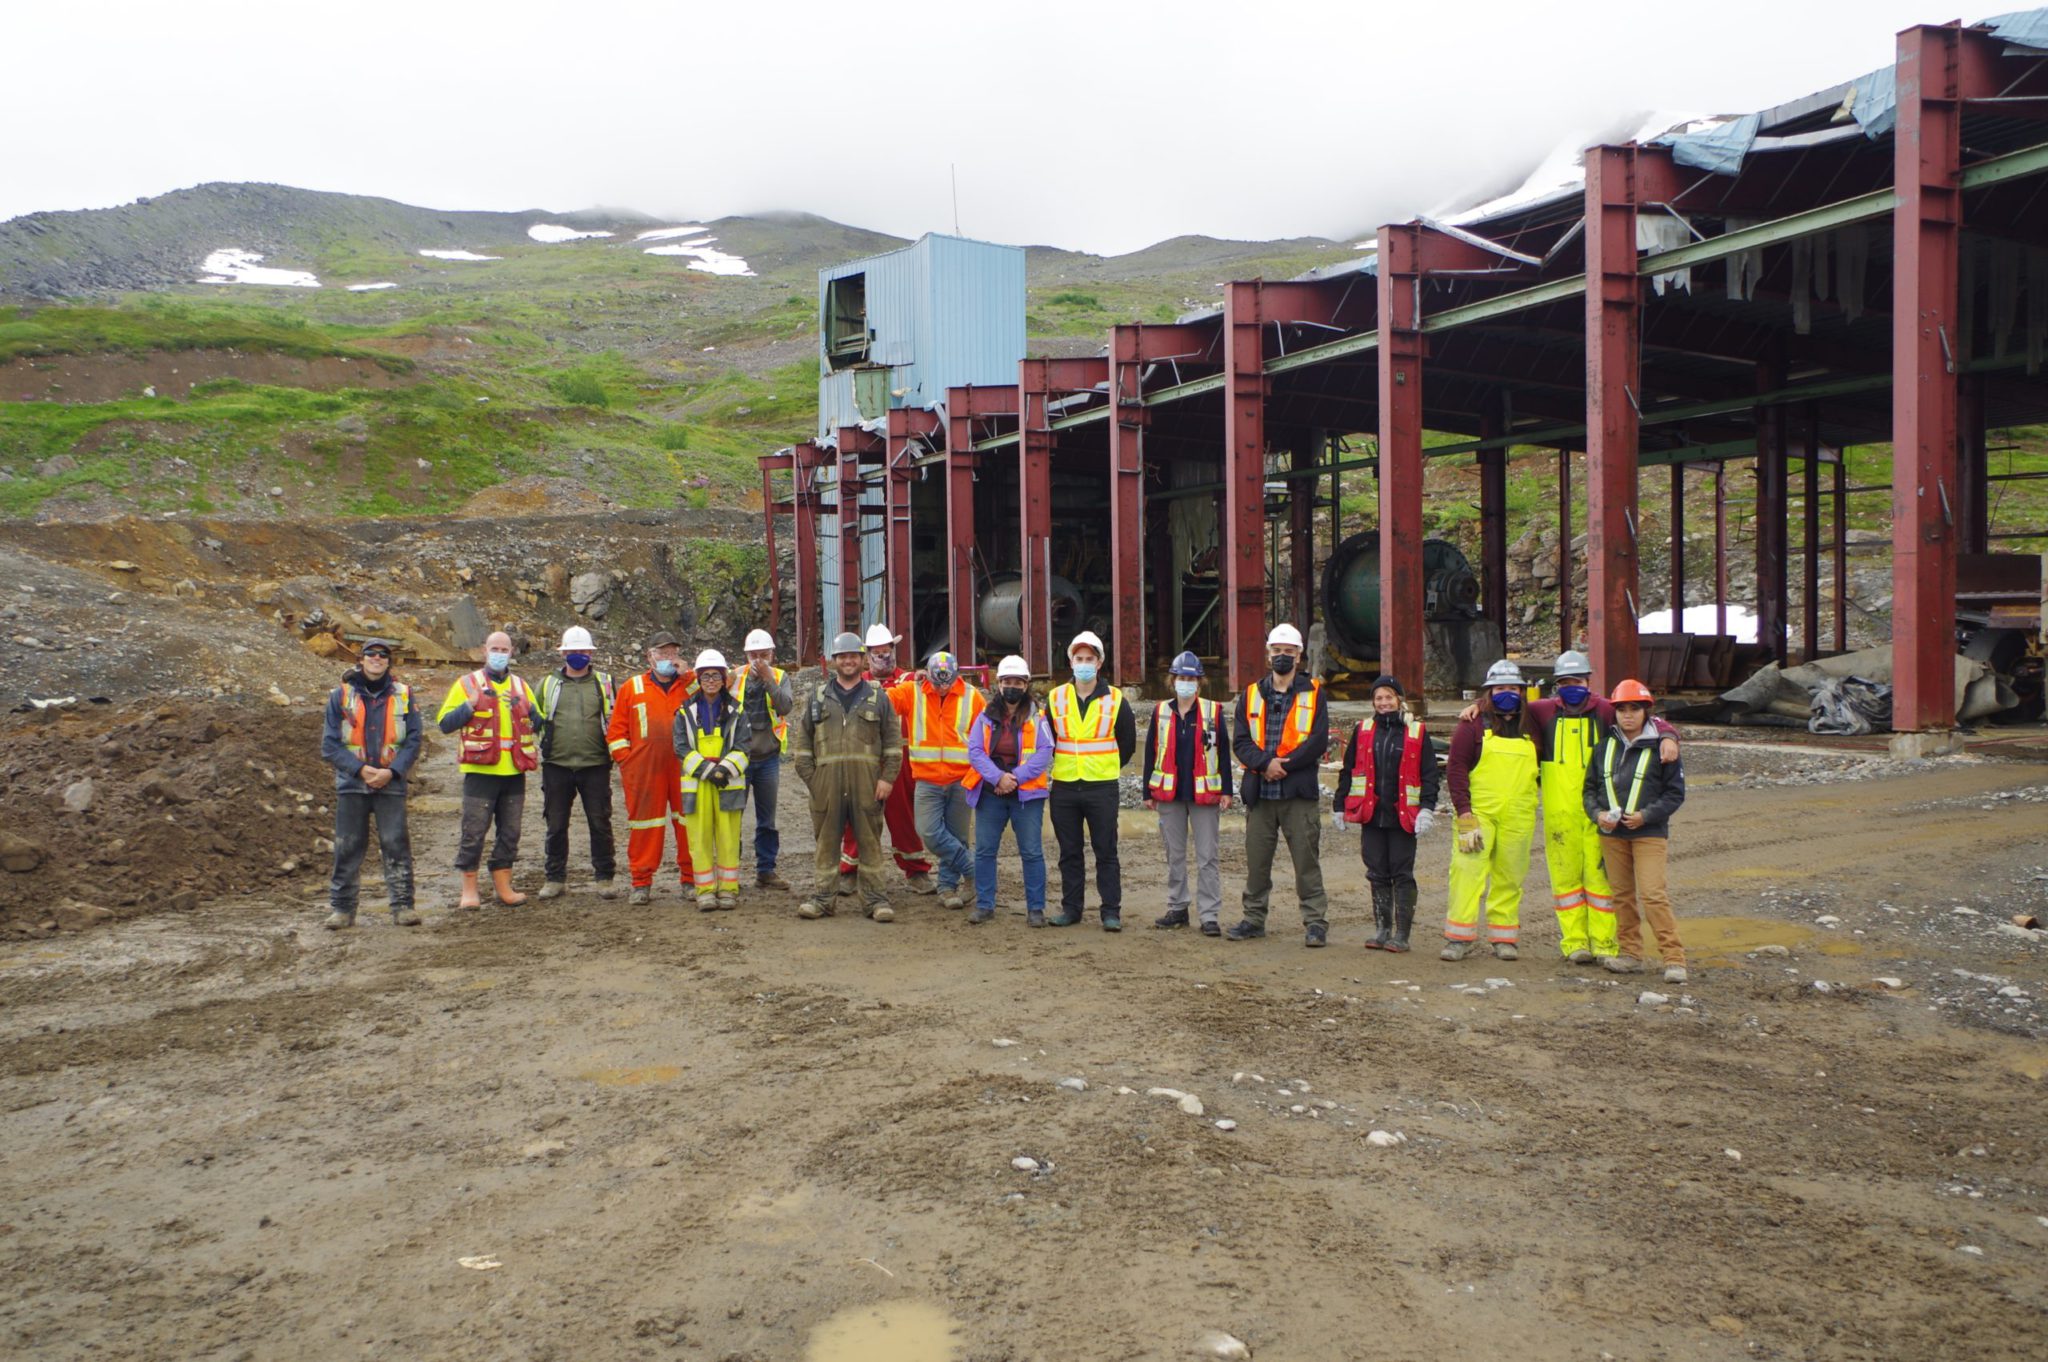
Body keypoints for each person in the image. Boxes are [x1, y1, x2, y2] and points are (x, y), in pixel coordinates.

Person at [1465, 650, 1680, 964]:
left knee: (1600, 882)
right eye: (1565, 682)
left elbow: (1643, 717)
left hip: (1599, 811)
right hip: (1559, 815)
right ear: (1556, 684)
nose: (1571, 687)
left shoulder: (1606, 711)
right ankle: (1575, 943)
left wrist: (1668, 734)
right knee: (1565, 882)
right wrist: (1476, 706)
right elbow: (1505, 703)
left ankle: (1605, 945)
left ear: (1588, 682)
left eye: (1577, 681)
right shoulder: (1542, 711)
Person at [1226, 623, 1331, 946]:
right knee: (1257, 863)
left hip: (1297, 792)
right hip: (1261, 793)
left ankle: (1315, 922)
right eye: (1277, 651)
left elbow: (1316, 741)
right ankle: (1253, 919)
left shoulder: (1314, 694)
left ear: (1299, 656)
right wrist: (1264, 764)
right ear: (1268, 654)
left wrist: (1284, 766)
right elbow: (1241, 741)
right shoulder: (1251, 694)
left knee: (1306, 863)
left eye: (1289, 652)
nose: (1282, 657)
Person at [1584, 679, 1690, 984]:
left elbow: (1674, 794)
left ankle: (1674, 959)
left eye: (1634, 709)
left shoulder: (1663, 746)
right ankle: (1631, 954)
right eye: (1622, 710)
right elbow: (1589, 790)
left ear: (1646, 712)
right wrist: (1597, 814)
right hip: (1612, 835)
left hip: (1648, 833)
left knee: (1653, 895)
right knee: (1622, 895)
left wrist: (1646, 816)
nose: (1628, 715)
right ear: (1614, 712)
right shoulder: (1605, 747)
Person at [793, 632, 903, 923]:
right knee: (826, 845)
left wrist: (887, 779)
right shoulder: (817, 697)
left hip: (867, 785)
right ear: (834, 661)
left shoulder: (878, 697)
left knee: (870, 843)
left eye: (854, 656)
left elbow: (893, 743)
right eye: (843, 656)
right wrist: (814, 781)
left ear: (862, 659)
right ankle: (823, 899)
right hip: (826, 786)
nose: (848, 661)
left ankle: (875, 901)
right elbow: (802, 746)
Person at [319, 638, 422, 929]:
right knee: (347, 846)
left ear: (389, 661)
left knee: (395, 844)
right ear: (361, 659)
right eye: (371, 654)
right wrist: (360, 770)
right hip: (353, 783)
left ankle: (403, 905)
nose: (376, 658)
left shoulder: (403, 696)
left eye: (382, 655)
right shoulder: (340, 697)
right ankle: (342, 909)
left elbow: (414, 740)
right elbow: (329, 745)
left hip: (391, 783)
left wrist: (393, 772)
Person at [1442, 658, 1541, 961]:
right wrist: (1463, 812)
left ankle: (1504, 937)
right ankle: (1459, 938)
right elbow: (1456, 769)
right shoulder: (1471, 725)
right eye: (1500, 688)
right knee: (1467, 872)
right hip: (1478, 814)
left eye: (1512, 687)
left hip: (1519, 815)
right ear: (1489, 692)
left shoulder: (1535, 723)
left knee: (1510, 876)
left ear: (1523, 691)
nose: (1507, 693)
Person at [1333, 674, 1439, 952]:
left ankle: (1402, 934)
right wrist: (1339, 805)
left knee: (1402, 873)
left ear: (1399, 700)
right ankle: (1382, 930)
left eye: (1389, 697)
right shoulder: (1364, 730)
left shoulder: (1416, 731)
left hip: (1403, 816)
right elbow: (1349, 770)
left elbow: (1429, 774)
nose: (1384, 703)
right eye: (1378, 698)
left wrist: (1427, 808)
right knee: (1377, 872)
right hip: (1372, 815)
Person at [436, 629, 541, 909]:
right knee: (473, 832)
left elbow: (540, 722)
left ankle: (503, 886)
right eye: (494, 649)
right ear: (484, 651)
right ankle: (469, 889)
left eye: (504, 650)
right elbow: (445, 723)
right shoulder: (467, 683)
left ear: (512, 653)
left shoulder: (521, 686)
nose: (499, 654)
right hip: (480, 771)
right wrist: (468, 706)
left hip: (513, 772)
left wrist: (529, 709)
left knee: (510, 832)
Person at [1045, 630, 1135, 930]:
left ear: (1099, 664)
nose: (1083, 663)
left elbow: (1128, 743)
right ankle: (1072, 909)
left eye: (1089, 659)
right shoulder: (1055, 697)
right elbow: (1049, 739)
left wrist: (1104, 766)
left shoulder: (1116, 699)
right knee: (1069, 853)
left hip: (1101, 787)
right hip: (1065, 786)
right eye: (1078, 658)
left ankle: (1111, 912)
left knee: (1105, 851)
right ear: (1071, 662)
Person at [838, 622, 936, 895]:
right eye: (877, 652)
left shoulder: (909, 680)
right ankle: (849, 869)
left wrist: (924, 677)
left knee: (903, 813)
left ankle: (916, 870)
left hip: (900, 758)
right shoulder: (854, 682)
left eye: (887, 651)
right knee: (857, 814)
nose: (883, 657)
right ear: (866, 655)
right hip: (865, 758)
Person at [1144, 650, 1234, 937]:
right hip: (1169, 794)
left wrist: (1227, 791)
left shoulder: (1212, 712)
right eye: (1181, 678)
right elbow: (1151, 751)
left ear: (1199, 682)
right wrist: (1148, 789)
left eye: (1191, 678)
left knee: (1207, 856)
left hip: (1204, 794)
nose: (1186, 683)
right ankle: (1178, 908)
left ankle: (1209, 915)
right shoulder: (1160, 712)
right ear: (1173, 681)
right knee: (1175, 854)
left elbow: (1222, 752)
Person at [605, 630, 696, 905]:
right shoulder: (631, 687)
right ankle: (641, 882)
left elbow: (714, 694)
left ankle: (690, 879)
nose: (668, 658)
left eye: (672, 653)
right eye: (662, 653)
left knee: (688, 823)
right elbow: (616, 731)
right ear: (650, 656)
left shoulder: (689, 685)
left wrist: (689, 674)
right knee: (646, 826)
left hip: (683, 767)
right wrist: (627, 761)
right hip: (645, 771)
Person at [963, 654, 1053, 926]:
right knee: (985, 851)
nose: (1011, 686)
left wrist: (1014, 777)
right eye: (1006, 681)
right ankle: (985, 904)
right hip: (992, 793)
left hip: (1026, 795)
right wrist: (998, 778)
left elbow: (1045, 751)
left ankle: (1035, 909)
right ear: (998, 684)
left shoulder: (1038, 716)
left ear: (1025, 685)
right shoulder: (985, 716)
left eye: (1017, 681)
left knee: (1032, 852)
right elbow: (975, 751)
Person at [534, 625, 619, 901]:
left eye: (583, 651)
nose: (578, 655)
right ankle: (555, 878)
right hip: (556, 765)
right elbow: (533, 719)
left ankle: (605, 877)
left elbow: (616, 721)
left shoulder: (604, 684)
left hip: (595, 765)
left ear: (591, 653)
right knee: (556, 824)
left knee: (600, 822)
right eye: (573, 651)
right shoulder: (547, 684)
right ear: (563, 653)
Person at [898, 650, 985, 910]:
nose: (942, 689)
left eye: (947, 684)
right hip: (927, 780)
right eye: (937, 684)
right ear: (928, 677)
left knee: (957, 836)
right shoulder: (913, 691)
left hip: (961, 779)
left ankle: (948, 888)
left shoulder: (973, 697)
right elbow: (883, 700)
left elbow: (985, 736)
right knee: (929, 831)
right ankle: (972, 870)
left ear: (956, 677)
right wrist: (905, 678)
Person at [673, 650, 752, 910]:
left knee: (729, 837)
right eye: (705, 676)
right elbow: (681, 748)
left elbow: (744, 747)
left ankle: (728, 889)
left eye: (715, 676)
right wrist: (709, 771)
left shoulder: (736, 710)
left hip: (728, 783)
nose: (710, 681)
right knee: (700, 838)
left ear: (723, 679)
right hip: (698, 784)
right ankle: (705, 890)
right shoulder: (685, 711)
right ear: (698, 677)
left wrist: (725, 770)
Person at [732, 629, 793, 890]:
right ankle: (729, 872)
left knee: (766, 820)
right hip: (739, 759)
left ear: (772, 655)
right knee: (732, 818)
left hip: (768, 758)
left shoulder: (780, 676)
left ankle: (765, 870)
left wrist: (769, 680)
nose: (758, 660)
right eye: (754, 655)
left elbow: (785, 707)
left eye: (764, 655)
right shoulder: (734, 677)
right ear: (746, 655)